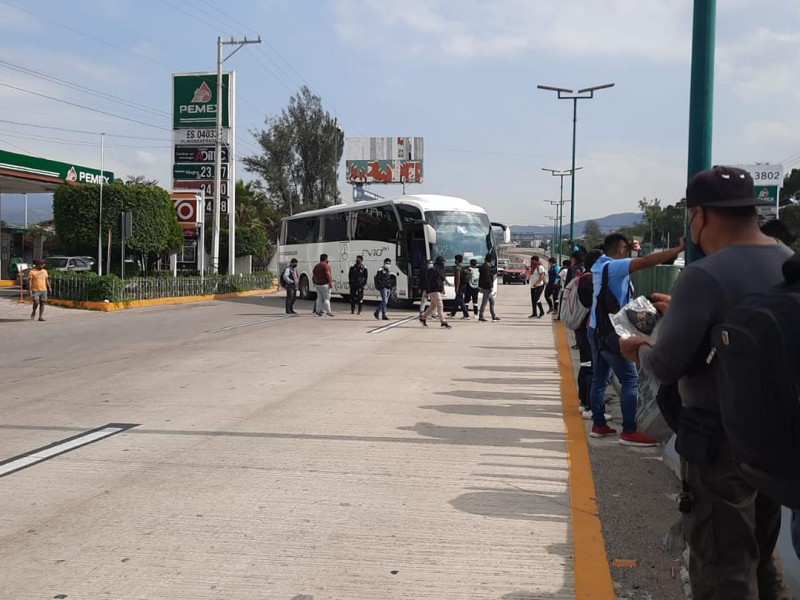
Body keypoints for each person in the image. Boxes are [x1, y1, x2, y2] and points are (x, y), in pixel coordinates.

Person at [619, 166, 793, 598]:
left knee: (722, 563)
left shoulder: (705, 275)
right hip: (782, 437)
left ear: (699, 217)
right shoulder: (788, 261)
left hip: (719, 439)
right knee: (761, 549)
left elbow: (665, 365)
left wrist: (638, 347)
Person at [588, 232, 684, 447]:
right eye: (626, 250)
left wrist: (629, 250)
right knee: (630, 380)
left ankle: (598, 424)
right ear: (622, 250)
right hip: (614, 332)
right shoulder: (615, 267)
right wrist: (679, 250)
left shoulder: (600, 265)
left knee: (600, 379)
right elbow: (647, 262)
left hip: (596, 329)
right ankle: (630, 431)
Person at [576, 250, 601, 413]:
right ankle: (589, 404)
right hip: (588, 327)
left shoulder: (583, 277)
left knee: (585, 365)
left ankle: (584, 400)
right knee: (590, 366)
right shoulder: (591, 281)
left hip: (581, 328)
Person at [420, 255, 451, 328]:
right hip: (434, 290)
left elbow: (441, 280)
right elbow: (429, 281)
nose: (443, 264)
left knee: (433, 306)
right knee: (440, 306)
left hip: (438, 290)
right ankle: (443, 321)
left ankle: (423, 318)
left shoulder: (441, 270)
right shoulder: (433, 270)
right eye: (442, 262)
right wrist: (427, 291)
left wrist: (443, 289)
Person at [478, 255, 500, 322]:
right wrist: (490, 286)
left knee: (492, 301)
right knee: (484, 302)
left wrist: (480, 286)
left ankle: (493, 316)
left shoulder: (483, 267)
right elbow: (487, 279)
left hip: (485, 287)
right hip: (487, 288)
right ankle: (481, 317)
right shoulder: (486, 268)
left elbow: (481, 278)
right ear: (490, 260)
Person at [448, 254, 470, 319]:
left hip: (460, 286)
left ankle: (466, 314)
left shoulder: (458, 268)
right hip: (464, 285)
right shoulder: (463, 267)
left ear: (457, 260)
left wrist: (456, 288)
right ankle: (453, 313)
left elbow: (458, 279)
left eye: (455, 259)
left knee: (460, 300)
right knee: (457, 299)